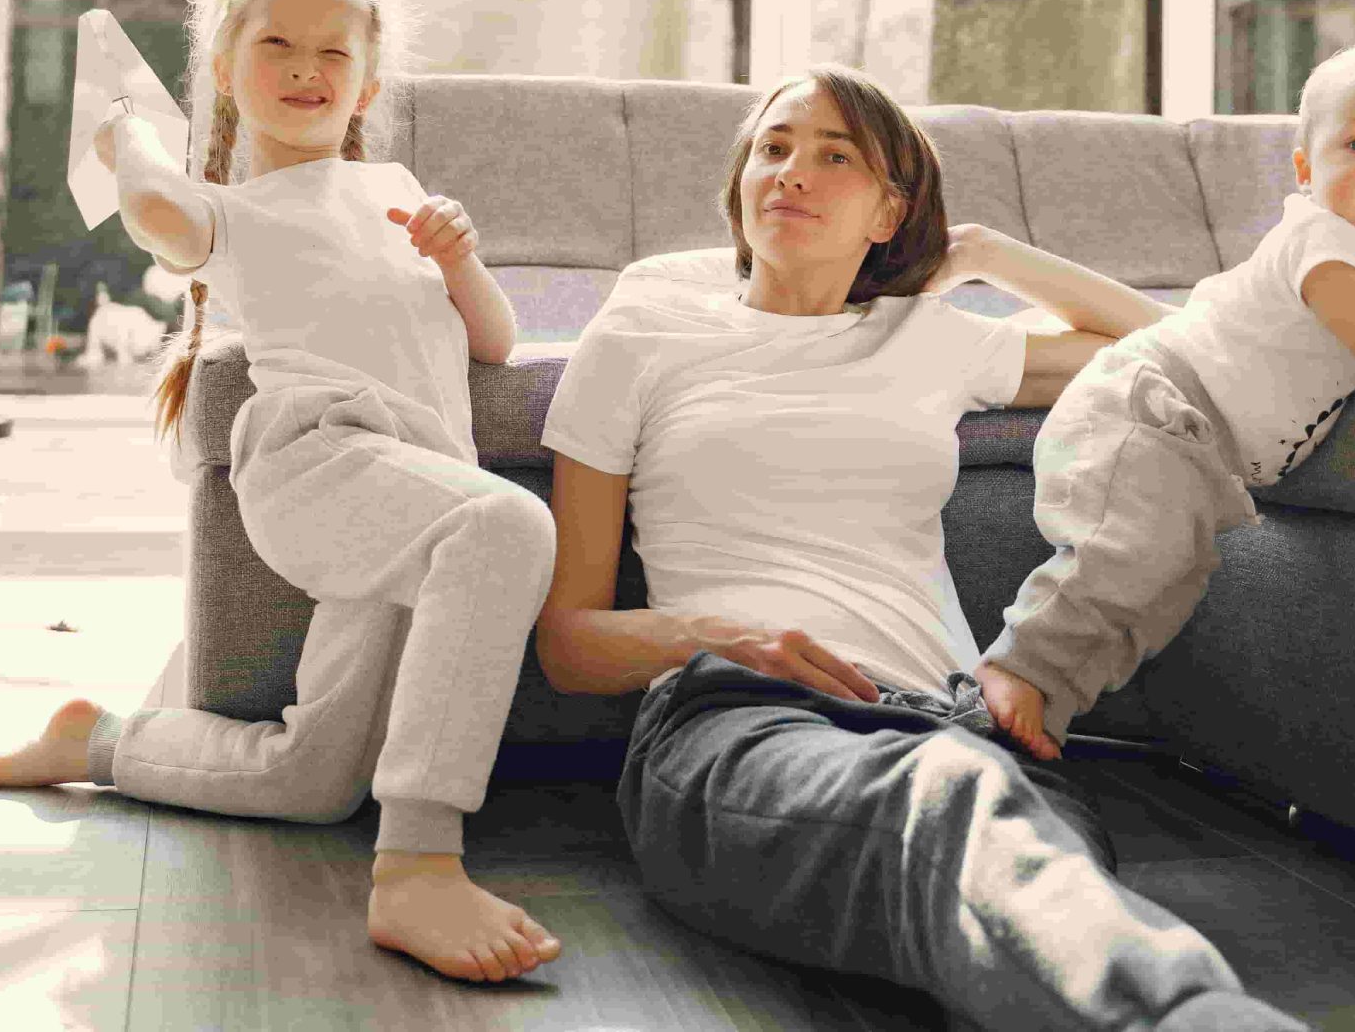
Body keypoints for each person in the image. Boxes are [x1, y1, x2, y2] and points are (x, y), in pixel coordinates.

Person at [534, 64, 1307, 1032]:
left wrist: (984, 251)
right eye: (772, 148)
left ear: (889, 212)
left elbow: (1182, 346)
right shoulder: (641, 334)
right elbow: (568, 643)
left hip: (956, 724)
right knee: (952, 817)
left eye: (833, 156)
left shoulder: (929, 338)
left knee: (1015, 905)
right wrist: (719, 634)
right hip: (739, 722)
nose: (790, 173)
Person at [0, 0, 564, 984]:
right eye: (273, 43)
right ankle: (417, 861)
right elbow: (153, 217)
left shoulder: (395, 187)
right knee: (507, 524)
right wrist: (130, 136)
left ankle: (97, 743)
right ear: (226, 72)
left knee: (312, 779)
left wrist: (462, 260)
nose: (304, 66)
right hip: (322, 468)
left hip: (418, 496)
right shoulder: (227, 211)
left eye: (333, 51)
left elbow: (492, 346)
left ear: (366, 86)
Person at [977, 41, 1355, 761]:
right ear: (1304, 169)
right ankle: (1020, 668)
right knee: (1134, 551)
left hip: (1197, 443)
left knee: (1169, 577)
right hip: (1149, 406)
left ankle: (1048, 701)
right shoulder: (1325, 240)